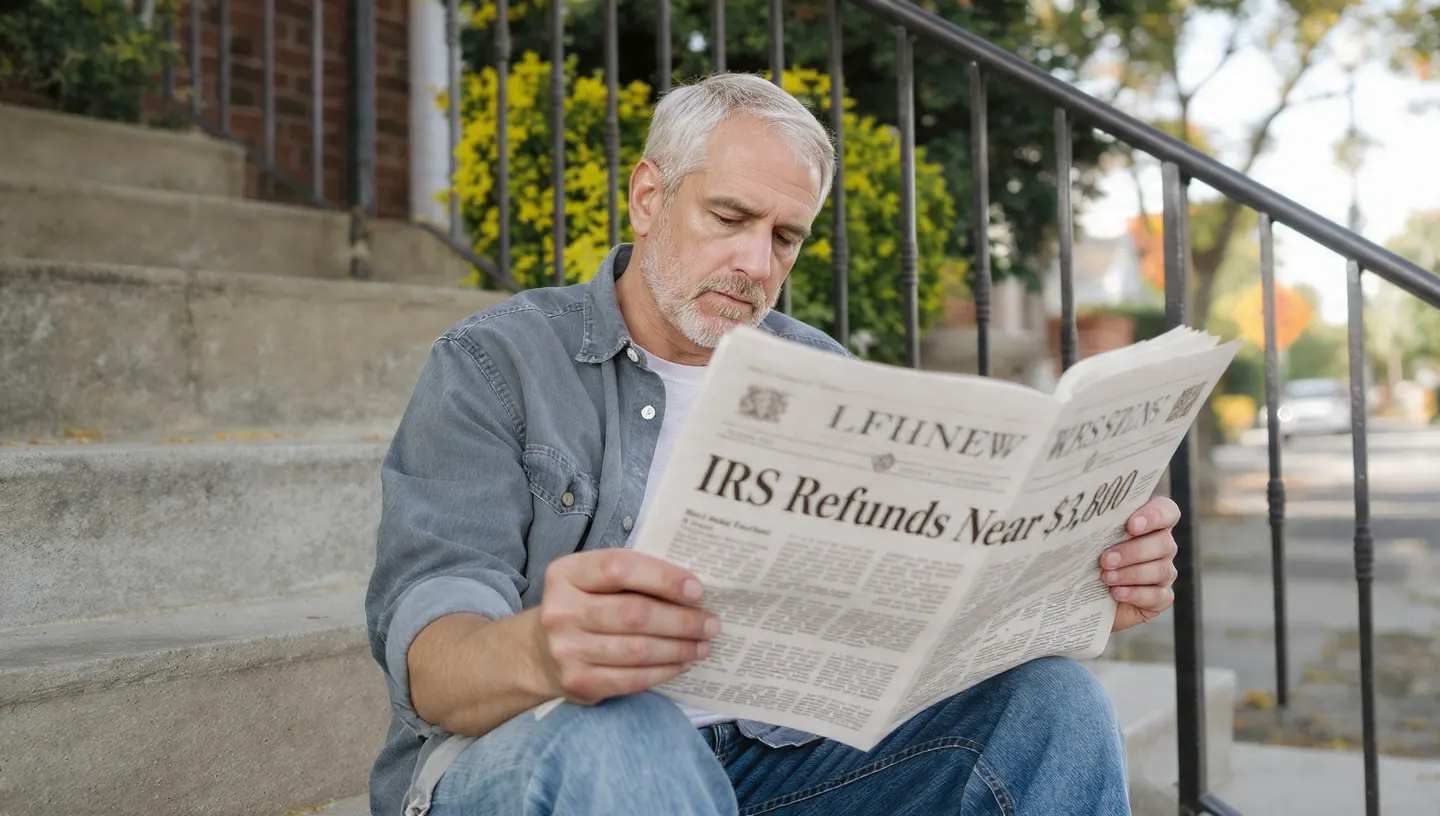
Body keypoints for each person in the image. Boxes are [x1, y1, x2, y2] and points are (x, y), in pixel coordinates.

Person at [365, 72, 1181, 816]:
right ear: (649, 196)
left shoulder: (822, 376)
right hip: (549, 754)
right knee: (627, 730)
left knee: (1054, 705)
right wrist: (544, 652)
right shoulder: (497, 364)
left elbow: (904, 627)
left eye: (786, 237)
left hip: (775, 764)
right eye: (729, 218)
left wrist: (1075, 588)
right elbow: (433, 659)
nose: (756, 263)